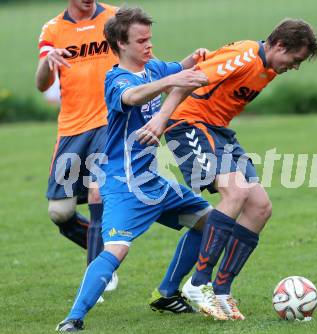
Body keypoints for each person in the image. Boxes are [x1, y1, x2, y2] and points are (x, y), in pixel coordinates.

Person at [55, 7, 223, 332]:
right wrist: (172, 81)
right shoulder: (117, 79)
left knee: (213, 223)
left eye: (150, 39)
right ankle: (73, 320)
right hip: (123, 184)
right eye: (141, 41)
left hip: (154, 181)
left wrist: (193, 59)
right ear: (121, 43)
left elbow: (182, 68)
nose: (149, 46)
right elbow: (132, 96)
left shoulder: (153, 68)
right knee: (116, 249)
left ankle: (167, 293)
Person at [144, 18, 317, 320]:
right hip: (188, 125)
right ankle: (199, 284)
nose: (295, 66)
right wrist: (161, 119)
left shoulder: (268, 66)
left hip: (217, 131)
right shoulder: (246, 55)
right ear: (279, 45)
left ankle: (222, 289)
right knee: (235, 192)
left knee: (261, 207)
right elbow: (190, 78)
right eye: (295, 59)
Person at [35, 0, 120, 299]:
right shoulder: (53, 29)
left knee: (98, 191)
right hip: (72, 128)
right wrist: (49, 62)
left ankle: (98, 274)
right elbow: (41, 84)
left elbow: (141, 56)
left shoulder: (114, 17)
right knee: (60, 212)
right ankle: (108, 250)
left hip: (110, 121)